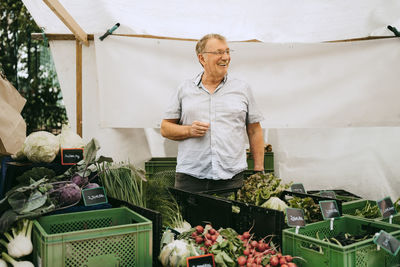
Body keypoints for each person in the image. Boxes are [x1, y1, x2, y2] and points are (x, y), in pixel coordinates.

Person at [161, 33, 264, 192]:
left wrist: (259, 169)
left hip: (231, 178)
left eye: (228, 52)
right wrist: (188, 130)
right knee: (189, 218)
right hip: (191, 177)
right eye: (219, 52)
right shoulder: (184, 89)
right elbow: (165, 128)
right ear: (202, 58)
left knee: (232, 218)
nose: (226, 57)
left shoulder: (242, 89)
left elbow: (254, 130)